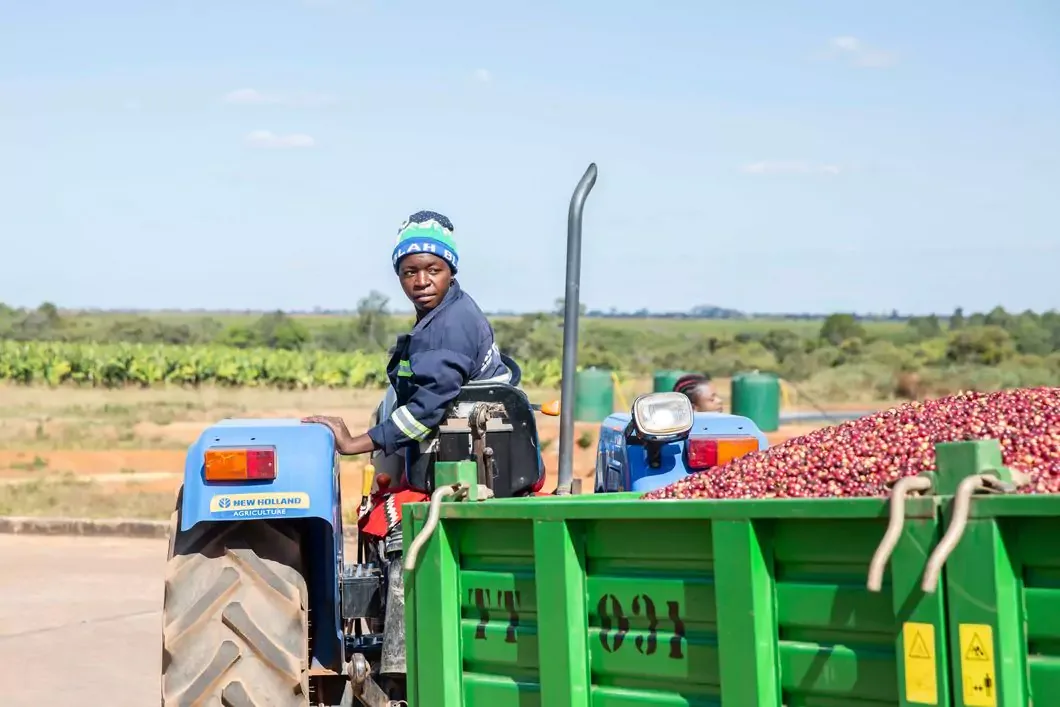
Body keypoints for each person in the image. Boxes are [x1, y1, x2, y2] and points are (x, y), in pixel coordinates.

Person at [303, 209, 511, 463]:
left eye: (433, 270)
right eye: (410, 272)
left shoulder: (447, 329)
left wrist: (352, 443)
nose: (422, 281)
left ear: (451, 271)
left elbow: (425, 411)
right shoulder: (453, 307)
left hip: (472, 450)